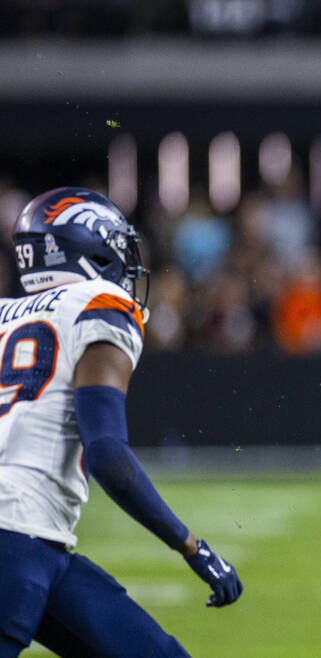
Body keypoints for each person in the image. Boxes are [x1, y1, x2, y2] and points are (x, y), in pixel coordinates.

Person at [0, 187, 242, 658]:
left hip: (41, 541)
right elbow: (107, 453)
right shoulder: (100, 303)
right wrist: (191, 546)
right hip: (16, 536)